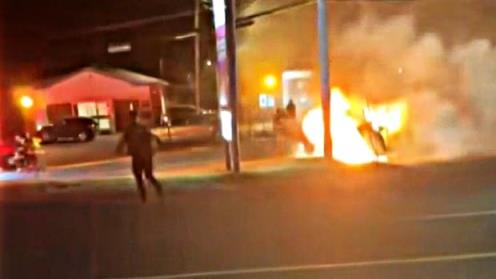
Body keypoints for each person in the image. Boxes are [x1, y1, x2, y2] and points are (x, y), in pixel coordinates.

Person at [116, 110, 163, 202]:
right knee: (147, 175)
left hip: (138, 155)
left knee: (139, 176)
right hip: (146, 155)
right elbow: (154, 137)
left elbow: (123, 141)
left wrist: (118, 149)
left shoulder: (130, 129)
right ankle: (156, 188)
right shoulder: (141, 128)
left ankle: (144, 196)